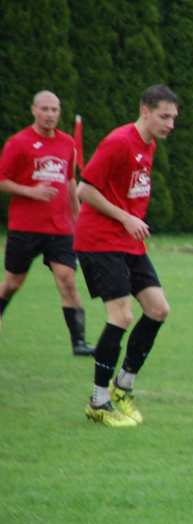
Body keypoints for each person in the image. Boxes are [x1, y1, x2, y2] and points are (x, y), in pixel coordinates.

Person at [73, 84, 179, 427]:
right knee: (121, 315)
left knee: (158, 309)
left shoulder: (148, 146)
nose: (170, 124)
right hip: (101, 240)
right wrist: (125, 216)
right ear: (144, 111)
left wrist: (130, 220)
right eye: (164, 116)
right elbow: (84, 189)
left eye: (173, 118)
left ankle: (123, 386)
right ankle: (98, 402)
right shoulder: (119, 142)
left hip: (128, 241)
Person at [0, 90, 94, 355]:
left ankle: (79, 343)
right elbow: (2, 180)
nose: (50, 114)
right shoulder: (18, 142)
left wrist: (78, 218)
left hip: (59, 228)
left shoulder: (67, 144)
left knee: (67, 280)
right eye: (45, 109)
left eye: (54, 109)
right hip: (25, 227)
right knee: (12, 283)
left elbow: (70, 182)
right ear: (33, 110)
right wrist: (32, 191)